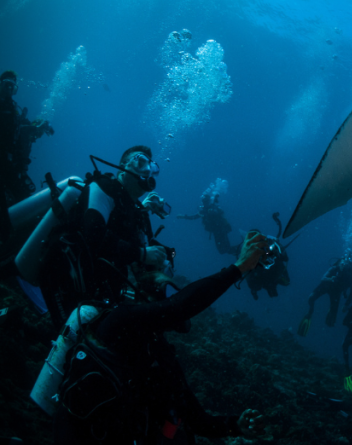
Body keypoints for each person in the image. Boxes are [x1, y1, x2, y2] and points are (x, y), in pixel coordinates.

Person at [53, 230, 271, 445]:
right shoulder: (119, 321)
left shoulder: (158, 351)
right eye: (167, 288)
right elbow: (178, 307)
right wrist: (239, 267)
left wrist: (235, 426)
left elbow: (197, 420)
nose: (171, 292)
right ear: (145, 287)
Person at [39, 146, 169, 326]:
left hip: (96, 289)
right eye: (140, 162)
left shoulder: (136, 213)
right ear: (123, 166)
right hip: (63, 275)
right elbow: (94, 234)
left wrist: (159, 268)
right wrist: (143, 254)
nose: (148, 171)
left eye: (152, 167)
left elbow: (139, 262)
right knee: (75, 340)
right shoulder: (104, 188)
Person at [0, 70, 54, 238]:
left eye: (12, 86)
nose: (9, 89)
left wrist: (41, 126)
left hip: (11, 166)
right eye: (6, 84)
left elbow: (26, 128)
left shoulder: (16, 110)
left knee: (24, 203)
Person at [298, 254, 352, 335]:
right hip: (326, 286)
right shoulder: (334, 268)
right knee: (311, 298)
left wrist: (346, 304)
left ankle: (330, 312)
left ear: (349, 267)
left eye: (346, 265)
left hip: (336, 292)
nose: (344, 266)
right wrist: (331, 279)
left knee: (331, 321)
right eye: (343, 264)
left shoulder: (351, 277)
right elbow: (323, 279)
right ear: (340, 263)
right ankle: (310, 312)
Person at [178, 190, 232, 255]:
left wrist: (184, 217)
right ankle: (236, 252)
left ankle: (237, 252)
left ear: (208, 201)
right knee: (222, 249)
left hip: (220, 229)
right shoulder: (203, 211)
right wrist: (184, 216)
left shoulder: (212, 208)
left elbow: (219, 214)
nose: (204, 203)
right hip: (216, 231)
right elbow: (194, 217)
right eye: (203, 201)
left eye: (206, 201)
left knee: (225, 247)